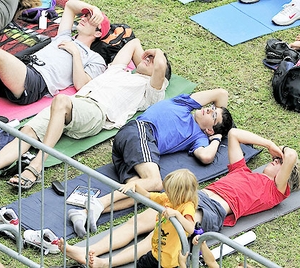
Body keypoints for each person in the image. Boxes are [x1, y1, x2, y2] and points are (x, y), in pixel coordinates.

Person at [58, 128, 300, 267]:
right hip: (194, 195)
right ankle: (88, 250)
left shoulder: (275, 191)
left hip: (212, 209)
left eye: (277, 162)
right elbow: (234, 134)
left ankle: (104, 264)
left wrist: (284, 156)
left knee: (162, 235)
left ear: (286, 178)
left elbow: (291, 157)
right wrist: (269, 143)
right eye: (275, 158)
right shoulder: (242, 170)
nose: (274, 159)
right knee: (141, 221)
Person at [0, 37, 171, 187]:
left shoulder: (150, 91)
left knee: (60, 101)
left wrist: (157, 54)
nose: (148, 58)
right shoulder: (118, 69)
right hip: (74, 104)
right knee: (28, 132)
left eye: (151, 61)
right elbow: (132, 44)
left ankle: (36, 166)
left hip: (96, 111)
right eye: (147, 57)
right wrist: (146, 55)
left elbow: (160, 66)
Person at [68, 88, 233, 238]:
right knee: (155, 182)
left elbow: (206, 156)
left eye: (213, 115)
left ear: (210, 130)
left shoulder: (198, 138)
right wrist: (218, 121)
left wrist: (217, 138)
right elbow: (221, 94)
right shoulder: (185, 103)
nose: (209, 109)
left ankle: (83, 213)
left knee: (141, 195)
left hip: (131, 150)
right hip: (140, 131)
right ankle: (98, 203)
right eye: (212, 107)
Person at [0, 0, 110, 104]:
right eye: (84, 15)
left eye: (91, 19)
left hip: (36, 82)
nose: (83, 18)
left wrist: (75, 54)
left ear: (97, 33)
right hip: (22, 69)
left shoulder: (94, 58)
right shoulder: (64, 36)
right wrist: (94, 9)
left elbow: (82, 85)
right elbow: (70, 5)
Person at [115, 169, 198, 268]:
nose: (166, 193)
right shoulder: (167, 198)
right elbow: (147, 195)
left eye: (169, 191)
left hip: (169, 261)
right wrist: (135, 185)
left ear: (179, 193)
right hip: (155, 253)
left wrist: (177, 214)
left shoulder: (187, 206)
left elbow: (191, 228)